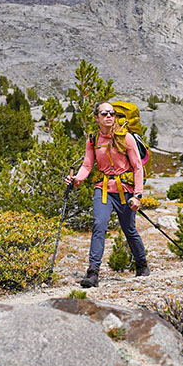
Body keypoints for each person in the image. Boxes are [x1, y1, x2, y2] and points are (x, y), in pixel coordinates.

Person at [63, 101, 148, 287]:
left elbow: (137, 167)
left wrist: (138, 195)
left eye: (112, 113)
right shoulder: (93, 141)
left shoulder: (126, 138)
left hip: (125, 191)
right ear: (96, 118)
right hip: (103, 190)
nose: (109, 116)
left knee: (129, 229)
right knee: (98, 225)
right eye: (104, 113)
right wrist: (76, 179)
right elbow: (87, 165)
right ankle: (93, 273)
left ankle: (142, 264)